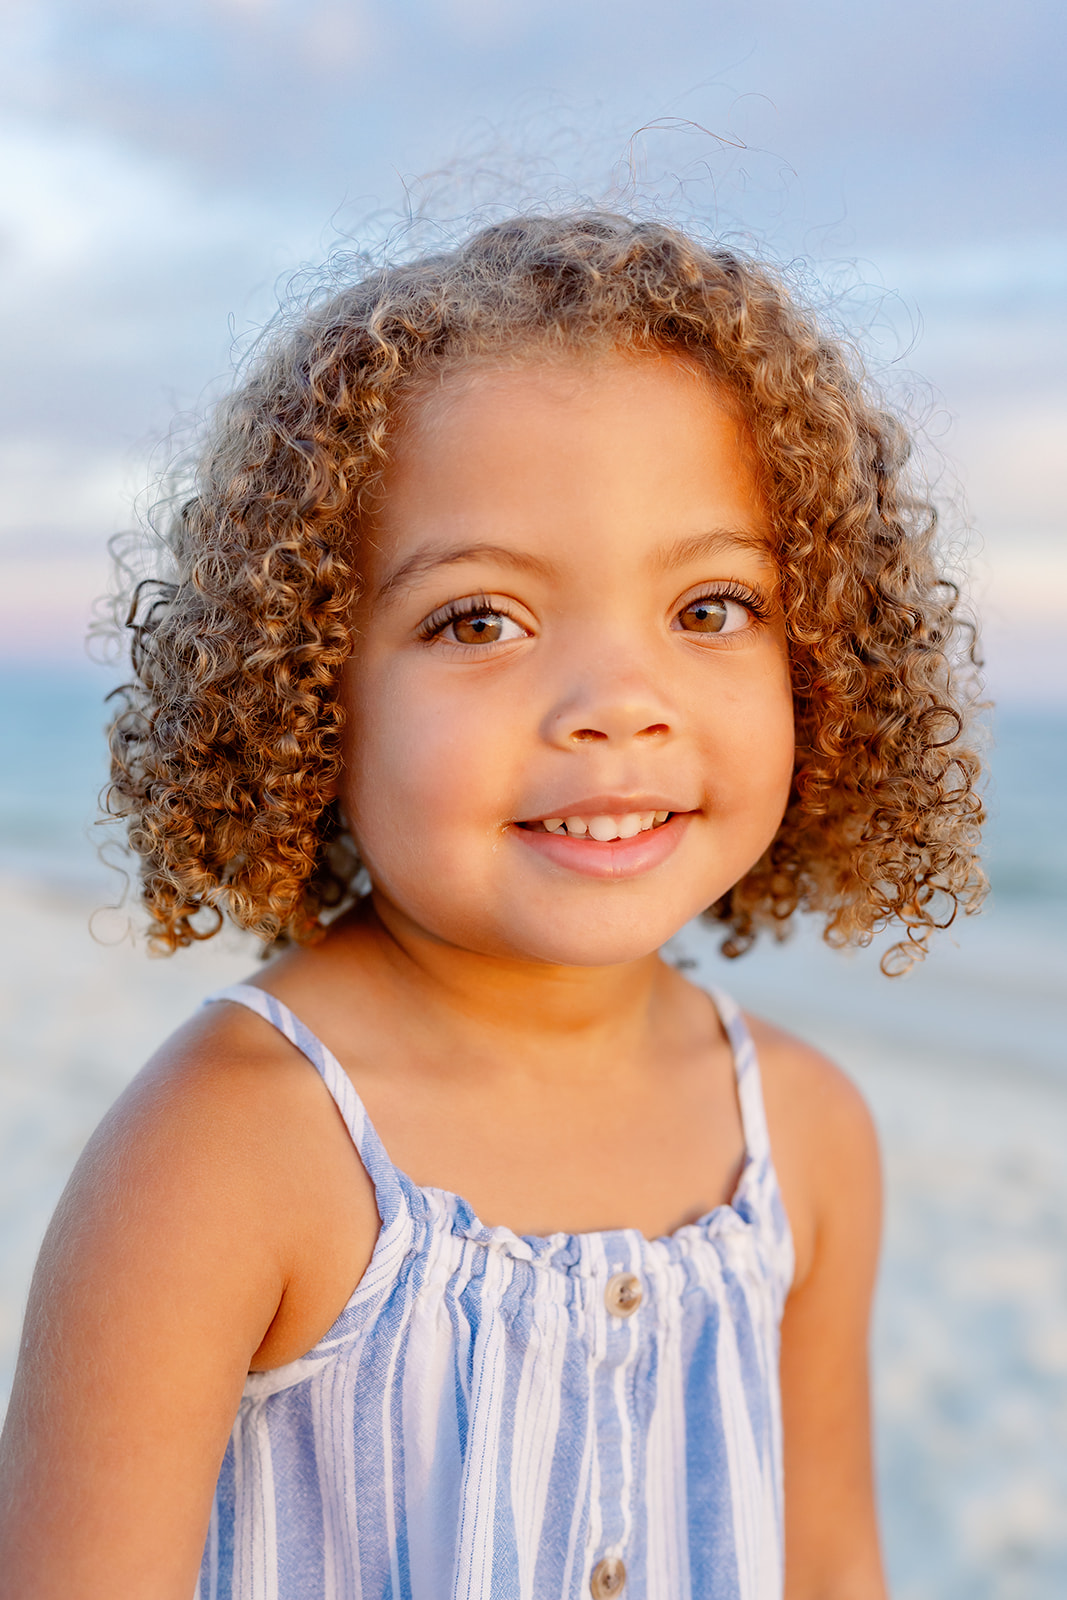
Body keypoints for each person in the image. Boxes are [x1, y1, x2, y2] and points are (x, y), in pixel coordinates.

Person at [0, 212, 984, 1599]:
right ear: (308, 690)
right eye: (480, 620)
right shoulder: (227, 1156)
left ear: (820, 658)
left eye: (709, 607)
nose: (615, 708)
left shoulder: (804, 1140)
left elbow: (828, 1564)